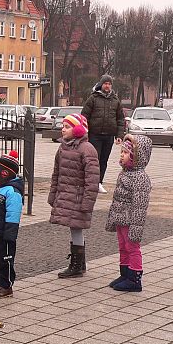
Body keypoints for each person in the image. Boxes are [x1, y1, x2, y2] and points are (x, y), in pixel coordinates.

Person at [48, 114, 99, 278]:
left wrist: (87, 203)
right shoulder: (62, 148)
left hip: (78, 198)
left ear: (78, 129)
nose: (63, 129)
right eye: (63, 126)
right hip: (66, 196)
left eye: (67, 126)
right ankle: (79, 262)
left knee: (76, 227)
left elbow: (92, 181)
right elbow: (56, 174)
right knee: (74, 228)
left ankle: (77, 265)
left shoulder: (87, 149)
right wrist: (53, 195)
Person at [106, 134, 152, 292]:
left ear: (136, 157)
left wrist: (136, 227)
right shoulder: (124, 173)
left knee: (132, 247)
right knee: (123, 247)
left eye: (125, 153)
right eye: (122, 152)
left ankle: (134, 278)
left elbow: (140, 205)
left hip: (130, 220)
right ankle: (125, 274)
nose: (122, 155)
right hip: (120, 218)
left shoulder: (140, 178)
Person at [0, 150, 24, 298]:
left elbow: (13, 214)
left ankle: (6, 285)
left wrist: (10, 233)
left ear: (6, 173)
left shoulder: (12, 191)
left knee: (5, 259)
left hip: (4, 234)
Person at [81, 74, 125, 194]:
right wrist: (84, 133)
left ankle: (99, 182)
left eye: (109, 84)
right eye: (105, 83)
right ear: (101, 84)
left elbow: (120, 119)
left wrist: (119, 136)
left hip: (109, 136)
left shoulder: (115, 100)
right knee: (94, 159)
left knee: (104, 160)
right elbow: (84, 116)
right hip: (95, 135)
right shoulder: (93, 98)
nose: (107, 86)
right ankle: (90, 182)